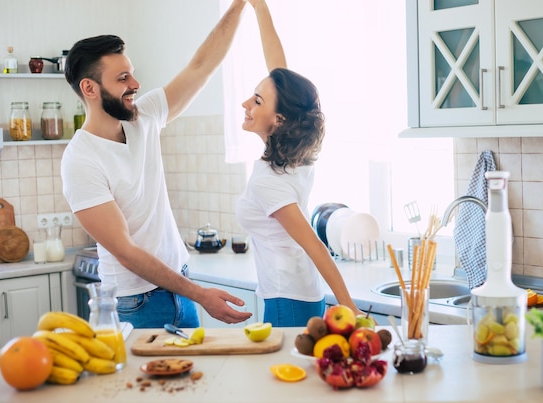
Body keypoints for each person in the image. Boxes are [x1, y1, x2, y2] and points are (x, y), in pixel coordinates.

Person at [61, 0, 253, 328]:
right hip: (137, 304)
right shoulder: (81, 160)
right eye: (123, 78)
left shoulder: (143, 117)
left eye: (132, 74)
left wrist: (238, 5)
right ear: (89, 88)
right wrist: (199, 294)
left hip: (180, 287)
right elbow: (125, 251)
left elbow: (201, 66)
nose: (135, 84)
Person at [236, 0, 362, 327]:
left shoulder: (270, 179)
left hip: (285, 301)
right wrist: (259, 7)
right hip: (300, 294)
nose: (245, 103)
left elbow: (314, 246)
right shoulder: (297, 156)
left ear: (278, 119)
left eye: (257, 100)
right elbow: (280, 73)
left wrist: (349, 306)